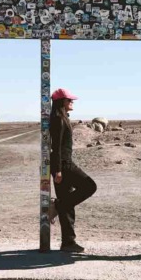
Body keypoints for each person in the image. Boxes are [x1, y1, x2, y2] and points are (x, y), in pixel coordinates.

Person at [49, 88, 97, 253]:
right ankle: (59, 205)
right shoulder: (58, 120)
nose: (72, 102)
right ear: (62, 101)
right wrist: (58, 170)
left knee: (68, 203)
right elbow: (55, 147)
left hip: (64, 164)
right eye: (69, 100)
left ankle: (68, 242)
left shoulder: (63, 118)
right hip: (64, 165)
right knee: (90, 186)